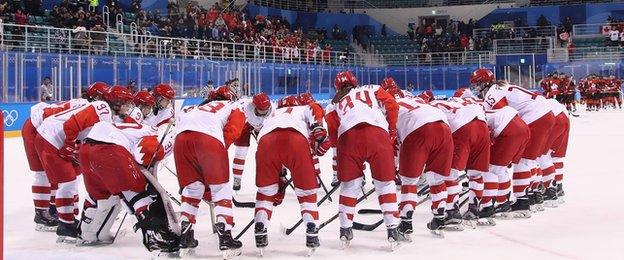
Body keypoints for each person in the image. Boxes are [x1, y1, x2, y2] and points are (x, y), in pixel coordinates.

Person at [34, 85, 134, 242]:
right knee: (68, 183)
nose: (128, 107)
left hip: (56, 138)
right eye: (126, 103)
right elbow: (71, 125)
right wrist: (68, 145)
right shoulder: (102, 108)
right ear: (117, 102)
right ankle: (65, 225)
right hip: (51, 139)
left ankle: (69, 219)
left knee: (72, 181)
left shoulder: (108, 111)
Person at [325, 71, 407, 248]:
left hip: (348, 139)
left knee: (349, 186)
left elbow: (333, 136)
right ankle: (393, 229)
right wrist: (391, 129)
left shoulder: (332, 105)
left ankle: (345, 230)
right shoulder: (373, 88)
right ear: (355, 82)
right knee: (385, 184)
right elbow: (392, 106)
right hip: (377, 135)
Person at [77, 120, 179, 254]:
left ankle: (84, 233)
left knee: (100, 195)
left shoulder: (141, 127)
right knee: (139, 193)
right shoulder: (160, 135)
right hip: (108, 151)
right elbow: (143, 156)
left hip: (86, 150)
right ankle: (156, 239)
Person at [473, 68, 556, 218]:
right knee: (531, 160)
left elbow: (503, 118)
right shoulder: (500, 87)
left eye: (477, 83)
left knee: (522, 162)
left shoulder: (493, 93)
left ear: (484, 82)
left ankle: (522, 201)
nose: (476, 87)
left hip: (535, 116)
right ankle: (533, 195)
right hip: (546, 114)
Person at [173, 86, 245, 256]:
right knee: (220, 190)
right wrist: (216, 154)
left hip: (181, 142)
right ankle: (225, 236)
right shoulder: (234, 106)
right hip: (209, 140)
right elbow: (233, 131)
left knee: (192, 189)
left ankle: (186, 236)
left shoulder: (194, 107)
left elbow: (179, 126)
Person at [253, 95, 329, 255]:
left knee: (265, 193)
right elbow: (314, 108)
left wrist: (279, 181)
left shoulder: (273, 113)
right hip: (295, 140)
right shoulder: (303, 108)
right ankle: (311, 230)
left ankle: (260, 228)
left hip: (266, 142)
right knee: (307, 194)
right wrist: (318, 128)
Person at [21, 85, 97, 231]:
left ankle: (56, 210)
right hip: (37, 129)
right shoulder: (88, 108)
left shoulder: (86, 106)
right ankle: (42, 214)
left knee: (64, 175)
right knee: (44, 173)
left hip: (48, 131)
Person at [394, 92, 452, 237]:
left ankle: (406, 222)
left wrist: (394, 168)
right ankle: (439, 219)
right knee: (437, 179)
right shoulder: (416, 100)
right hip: (444, 128)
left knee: (409, 181)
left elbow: (393, 144)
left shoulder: (389, 107)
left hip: (418, 131)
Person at [429, 98, 490, 228]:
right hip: (483, 126)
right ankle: (474, 209)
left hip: (463, 128)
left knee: (451, 171)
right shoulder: (460, 102)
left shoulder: (431, 106)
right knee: (475, 173)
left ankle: (452, 212)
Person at [483, 106, 530, 219]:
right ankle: (505, 201)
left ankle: (492, 205)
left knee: (491, 169)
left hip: (510, 129)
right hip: (523, 127)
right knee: (501, 168)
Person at [231, 92, 273, 191]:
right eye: (261, 111)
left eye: (266, 111)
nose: (264, 113)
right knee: (241, 151)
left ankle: (276, 175)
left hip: (262, 126)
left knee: (269, 150)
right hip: (244, 123)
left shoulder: (273, 109)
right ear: (254, 106)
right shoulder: (243, 107)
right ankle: (237, 178)